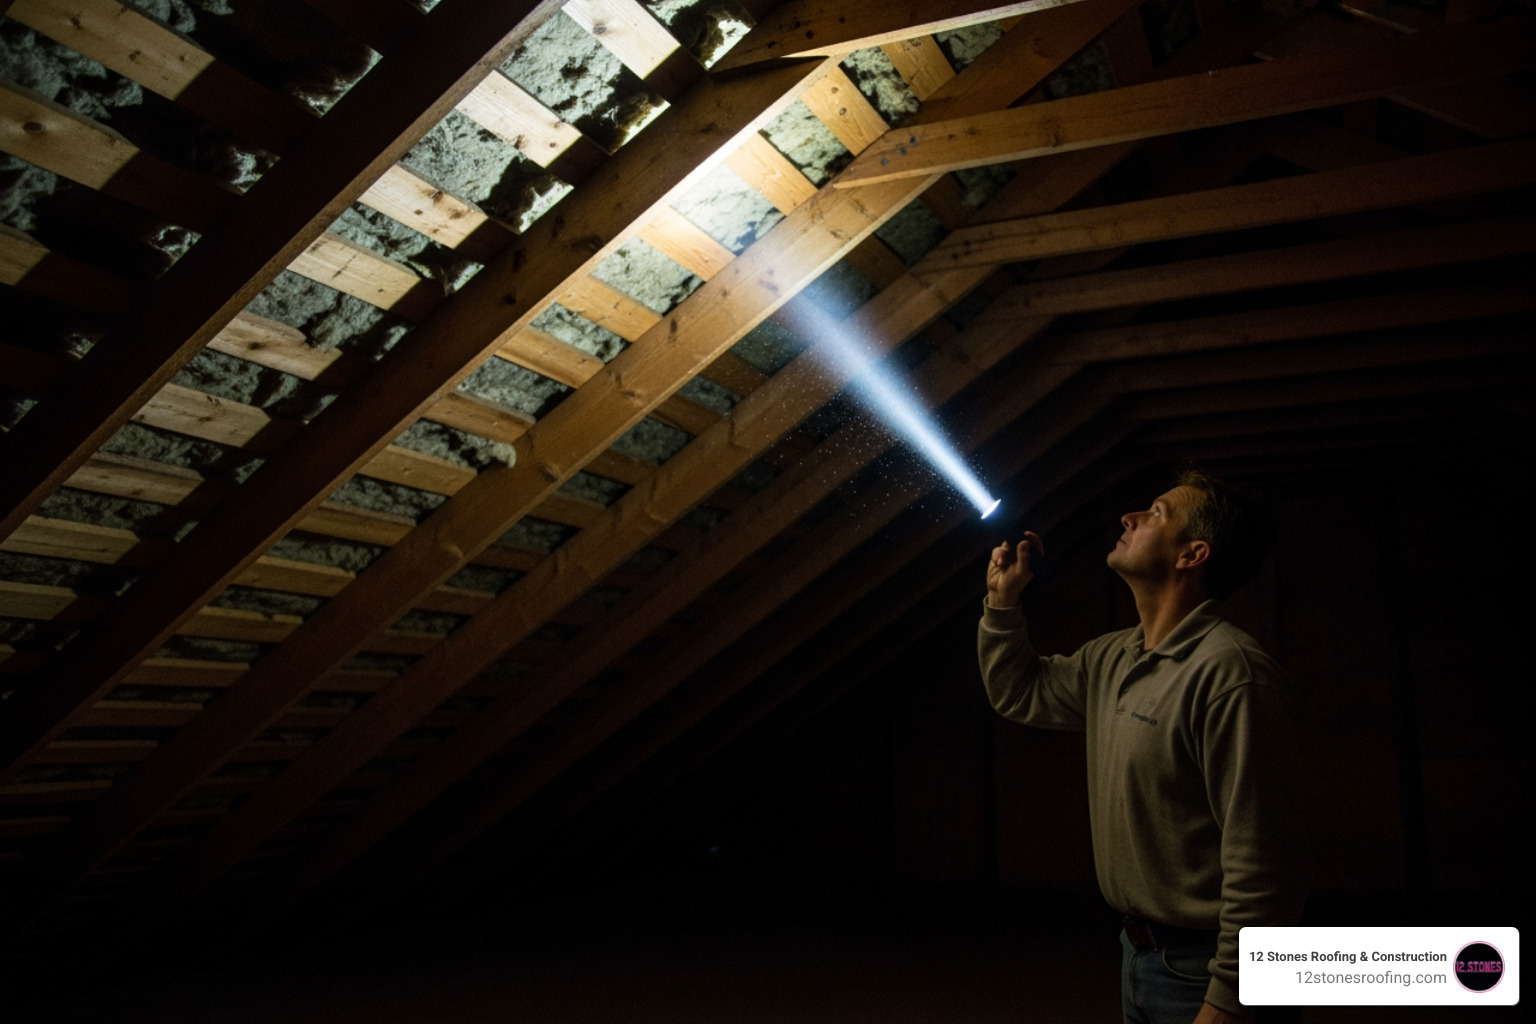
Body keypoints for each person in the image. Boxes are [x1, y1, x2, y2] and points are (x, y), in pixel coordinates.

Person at [978, 469, 1308, 1024]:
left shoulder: (1231, 676)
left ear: (1192, 554)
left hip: (1208, 971)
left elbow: (1265, 865)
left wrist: (1230, 1000)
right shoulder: (1113, 658)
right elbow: (1021, 691)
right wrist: (1004, 604)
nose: (1129, 518)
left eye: (1156, 513)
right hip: (1140, 955)